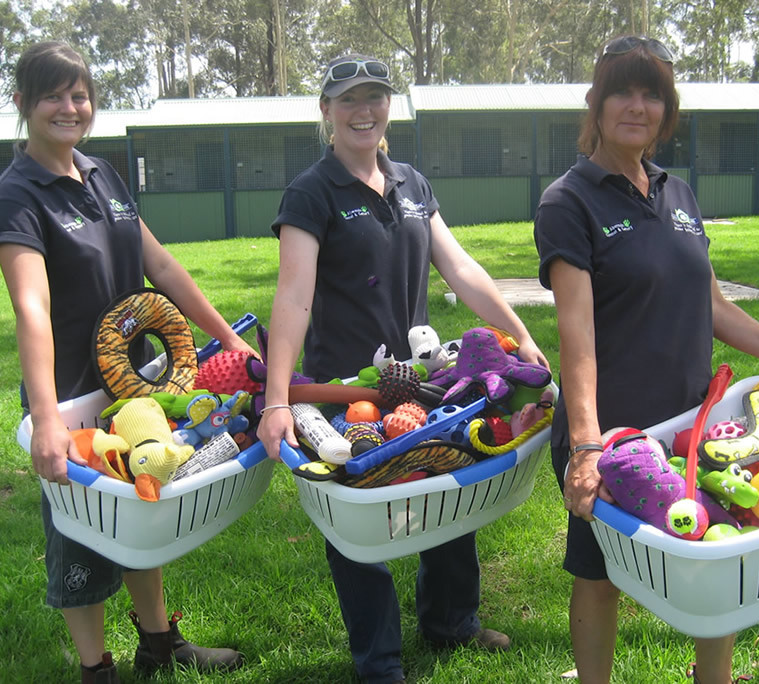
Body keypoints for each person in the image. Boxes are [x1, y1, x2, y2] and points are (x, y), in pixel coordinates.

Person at [534, 36, 759, 684]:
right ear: (596, 104)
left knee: (716, 559)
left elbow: (715, 308)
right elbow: (575, 335)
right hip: (610, 434)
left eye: (652, 95)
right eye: (623, 91)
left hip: (693, 429)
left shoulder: (680, 195)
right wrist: (585, 447)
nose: (637, 106)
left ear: (666, 111)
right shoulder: (569, 200)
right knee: (600, 573)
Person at [257, 54, 549, 684]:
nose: (365, 110)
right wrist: (278, 397)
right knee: (359, 520)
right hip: (342, 390)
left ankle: (451, 623)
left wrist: (520, 334)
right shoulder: (312, 192)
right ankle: (379, 661)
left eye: (376, 97)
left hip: (424, 377)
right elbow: (293, 295)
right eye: (350, 99)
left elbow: (461, 268)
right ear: (327, 111)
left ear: (390, 106)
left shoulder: (412, 184)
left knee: (447, 486)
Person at [0, 42, 256, 683]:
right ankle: (96, 670)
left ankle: (160, 646)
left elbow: (159, 265)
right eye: (52, 94)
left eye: (78, 94)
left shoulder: (102, 174)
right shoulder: (17, 194)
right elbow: (32, 306)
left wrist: (227, 336)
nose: (69, 107)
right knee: (80, 532)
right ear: (24, 104)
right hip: (70, 399)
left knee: (141, 505)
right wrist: (47, 417)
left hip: (133, 390)